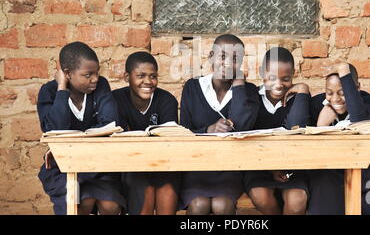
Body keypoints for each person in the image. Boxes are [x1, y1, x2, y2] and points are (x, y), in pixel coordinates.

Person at [37, 41, 125, 215]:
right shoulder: (49, 92)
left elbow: (110, 123)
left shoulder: (101, 86)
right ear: (67, 74)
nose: (95, 79)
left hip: (97, 166)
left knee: (111, 206)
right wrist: (62, 89)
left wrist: (73, 138)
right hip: (63, 166)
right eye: (88, 74)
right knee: (79, 204)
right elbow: (54, 129)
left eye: (97, 72)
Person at [179, 34, 259, 215]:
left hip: (230, 169)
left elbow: (243, 128)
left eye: (235, 58)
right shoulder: (192, 88)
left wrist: (239, 83)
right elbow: (184, 132)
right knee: (198, 205)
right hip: (198, 168)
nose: (228, 63)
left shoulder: (250, 91)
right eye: (222, 56)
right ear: (210, 57)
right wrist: (209, 130)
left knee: (222, 206)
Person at [307, 62, 370, 215]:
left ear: (357, 88)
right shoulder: (316, 105)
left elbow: (358, 117)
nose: (335, 99)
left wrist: (344, 71)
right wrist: (321, 125)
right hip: (326, 165)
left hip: (360, 164)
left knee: (355, 192)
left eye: (342, 92)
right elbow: (308, 146)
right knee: (324, 187)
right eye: (329, 93)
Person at [243, 47, 311, 215]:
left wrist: (303, 90)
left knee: (297, 201)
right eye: (271, 77)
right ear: (261, 72)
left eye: (286, 78)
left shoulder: (299, 99)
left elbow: (297, 128)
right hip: (258, 166)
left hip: (292, 167)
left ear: (294, 74)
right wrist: (271, 168)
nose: (279, 84)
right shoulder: (252, 97)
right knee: (261, 197)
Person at [112, 51, 180, 215]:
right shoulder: (115, 99)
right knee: (144, 190)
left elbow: (169, 143)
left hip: (164, 165)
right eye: (141, 75)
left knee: (168, 190)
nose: (148, 82)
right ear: (127, 77)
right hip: (132, 166)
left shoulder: (166, 100)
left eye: (153, 76)